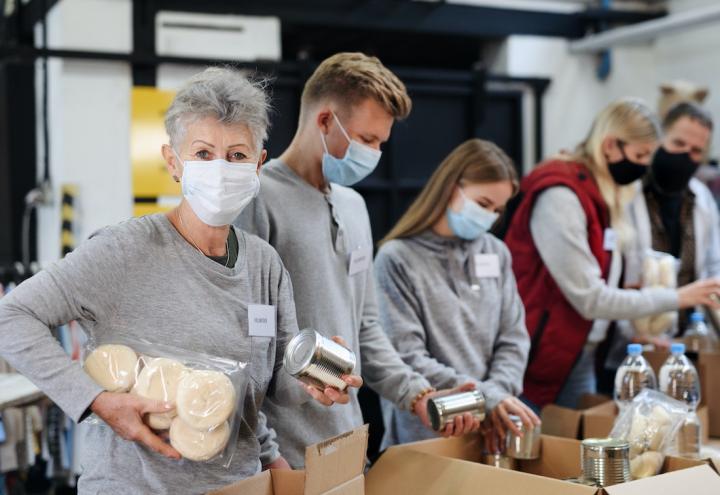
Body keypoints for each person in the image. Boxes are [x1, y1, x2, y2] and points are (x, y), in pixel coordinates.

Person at [0, 67, 355, 493]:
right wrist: (96, 401)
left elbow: (273, 391)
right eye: (203, 154)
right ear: (173, 162)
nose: (221, 168)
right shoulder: (125, 250)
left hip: (234, 487)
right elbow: (12, 318)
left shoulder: (264, 264)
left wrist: (314, 379)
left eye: (237, 155)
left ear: (259, 164)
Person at [236, 52, 479, 468]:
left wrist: (417, 394)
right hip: (282, 453)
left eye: (381, 144)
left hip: (346, 440)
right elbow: (244, 342)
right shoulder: (258, 200)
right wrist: (265, 452)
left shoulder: (354, 207)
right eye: (366, 140)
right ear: (326, 120)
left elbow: (365, 326)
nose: (374, 154)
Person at [503, 98, 720, 411]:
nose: (645, 166)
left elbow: (609, 280)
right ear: (610, 146)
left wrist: (639, 317)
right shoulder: (562, 197)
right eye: (641, 155)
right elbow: (590, 297)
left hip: (580, 351)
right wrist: (677, 297)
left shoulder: (601, 195)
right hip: (538, 353)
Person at [373, 139, 540, 449]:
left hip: (492, 426)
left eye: (497, 209)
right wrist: (486, 397)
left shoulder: (496, 252)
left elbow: (513, 338)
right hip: (427, 434)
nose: (489, 215)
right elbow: (406, 355)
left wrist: (496, 397)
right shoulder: (397, 259)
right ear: (451, 188)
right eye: (483, 203)